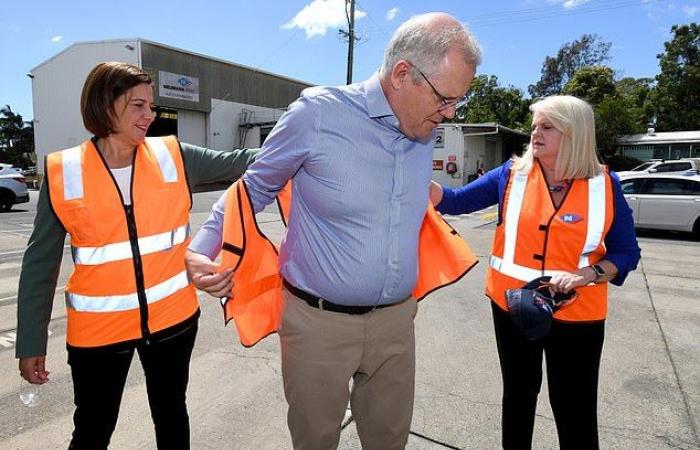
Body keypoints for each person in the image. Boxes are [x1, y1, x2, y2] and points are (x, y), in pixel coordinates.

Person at [185, 13, 481, 450]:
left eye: (460, 100)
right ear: (403, 74)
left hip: (397, 323)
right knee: (315, 442)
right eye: (444, 99)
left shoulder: (424, 126)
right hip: (316, 324)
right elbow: (253, 186)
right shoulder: (318, 115)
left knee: (389, 442)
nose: (450, 113)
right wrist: (201, 249)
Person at [15, 62, 257, 450]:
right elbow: (39, 264)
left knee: (172, 416)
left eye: (152, 106)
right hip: (98, 333)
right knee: (92, 430)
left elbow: (242, 163)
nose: (150, 115)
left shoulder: (173, 154)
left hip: (174, 321)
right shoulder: (64, 170)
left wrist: (305, 139)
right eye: (138, 106)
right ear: (104, 105)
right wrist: (31, 341)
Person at [430, 95, 641, 449]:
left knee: (575, 409)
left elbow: (626, 252)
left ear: (573, 133)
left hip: (580, 316)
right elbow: (455, 201)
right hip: (513, 308)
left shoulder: (606, 185)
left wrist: (588, 274)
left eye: (546, 126)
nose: (535, 134)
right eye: (534, 127)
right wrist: (421, 184)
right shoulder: (510, 175)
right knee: (518, 398)